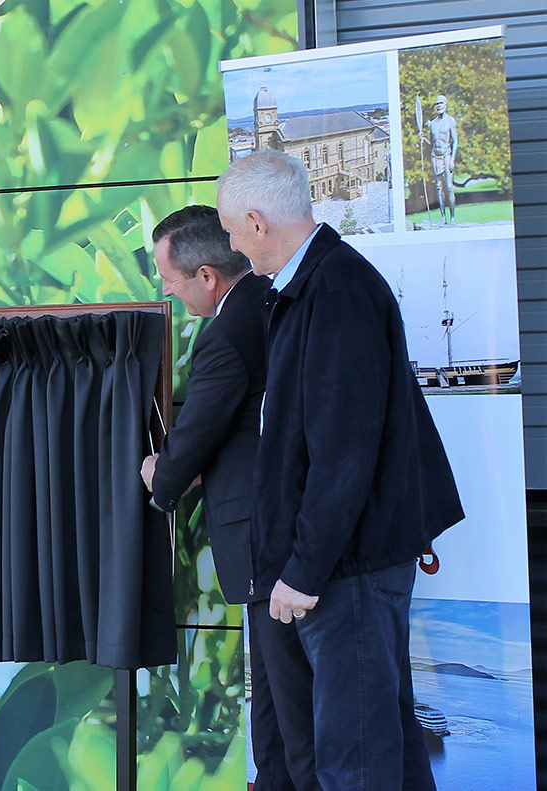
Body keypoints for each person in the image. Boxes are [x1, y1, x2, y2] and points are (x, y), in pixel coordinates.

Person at [216, 151, 463, 791]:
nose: (232, 245)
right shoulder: (318, 285)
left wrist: (303, 568)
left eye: (230, 229)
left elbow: (343, 451)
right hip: (345, 559)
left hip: (343, 566)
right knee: (386, 747)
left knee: (354, 761)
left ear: (255, 221)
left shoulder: (336, 289)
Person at [140, 205, 313, 791]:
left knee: (287, 709)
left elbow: (193, 441)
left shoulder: (226, 336)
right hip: (292, 544)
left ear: (207, 277)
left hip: (267, 549)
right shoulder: (276, 306)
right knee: (277, 703)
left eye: (170, 280)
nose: (166, 292)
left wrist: (159, 475)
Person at [421, 94, 459, 225]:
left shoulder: (450, 121)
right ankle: (443, 217)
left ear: (446, 105)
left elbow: (455, 141)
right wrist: (423, 138)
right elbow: (432, 143)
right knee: (438, 187)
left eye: (441, 103)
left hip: (447, 154)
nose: (438, 106)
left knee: (449, 187)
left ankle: (452, 217)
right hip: (435, 156)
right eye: (437, 104)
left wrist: (453, 159)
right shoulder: (432, 123)